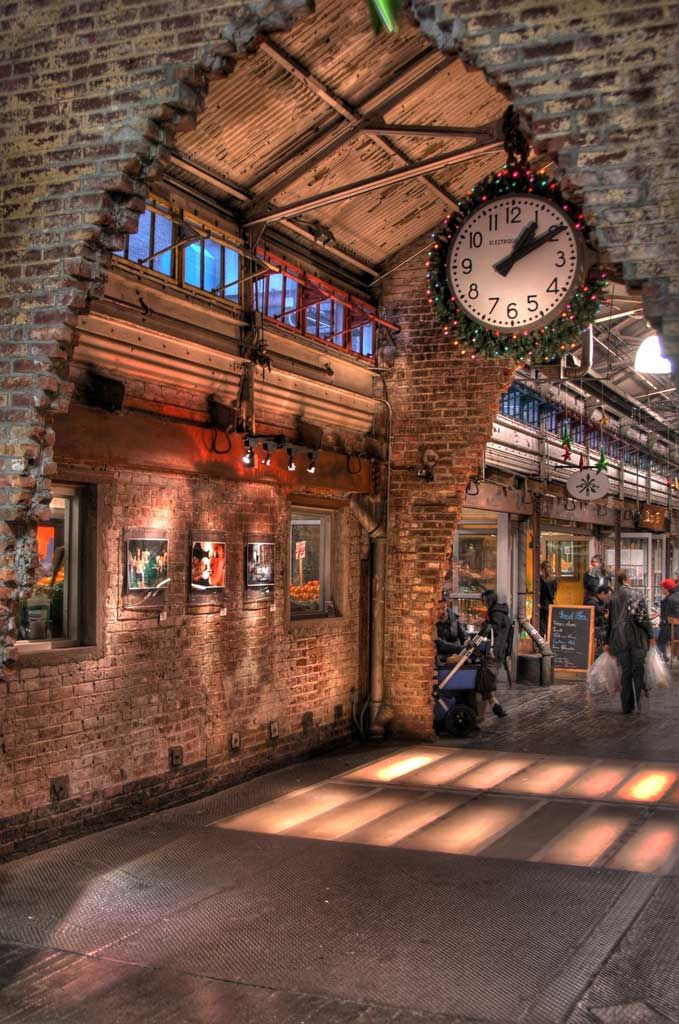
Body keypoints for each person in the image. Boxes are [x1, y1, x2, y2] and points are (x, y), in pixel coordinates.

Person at [606, 570, 654, 714]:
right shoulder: (636, 594)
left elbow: (609, 620)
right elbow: (642, 618)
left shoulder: (612, 596)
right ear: (626, 579)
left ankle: (627, 705)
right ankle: (639, 703)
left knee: (625, 672)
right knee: (638, 670)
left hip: (619, 639)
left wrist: (607, 640)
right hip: (636, 638)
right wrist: (650, 634)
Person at [478, 589, 510, 718]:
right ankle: (494, 705)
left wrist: (483, 623)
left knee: (485, 679)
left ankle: (488, 708)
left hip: (494, 651)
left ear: (489, 600)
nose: (483, 603)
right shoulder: (501, 611)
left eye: (484, 600)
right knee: (487, 678)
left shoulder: (496, 613)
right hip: (500, 650)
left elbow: (494, 629)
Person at [434, 598, 468, 668]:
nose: (442, 611)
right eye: (438, 609)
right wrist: (463, 648)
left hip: (458, 654)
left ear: (447, 606)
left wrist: (467, 643)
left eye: (444, 608)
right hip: (442, 656)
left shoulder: (455, 619)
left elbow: (464, 637)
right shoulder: (433, 624)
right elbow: (441, 645)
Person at [585, 582, 612, 655]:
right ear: (602, 593)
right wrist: (604, 617)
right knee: (597, 652)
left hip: (598, 630)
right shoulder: (592, 602)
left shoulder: (600, 602)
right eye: (607, 596)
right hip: (593, 631)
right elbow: (591, 619)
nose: (608, 598)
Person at [657, 578, 679, 663]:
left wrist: (667, 620)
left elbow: (676, 614)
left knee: (659, 644)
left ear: (667, 589)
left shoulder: (671, 599)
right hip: (671, 627)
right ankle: (665, 658)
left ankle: (664, 660)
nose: (661, 590)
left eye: (662, 588)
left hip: (673, 628)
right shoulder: (672, 597)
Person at [539, 560, 557, 637]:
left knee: (542, 625)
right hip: (550, 605)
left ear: (542, 569)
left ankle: (541, 642)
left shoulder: (541, 580)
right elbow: (553, 595)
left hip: (541, 605)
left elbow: (539, 592)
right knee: (549, 624)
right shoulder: (554, 580)